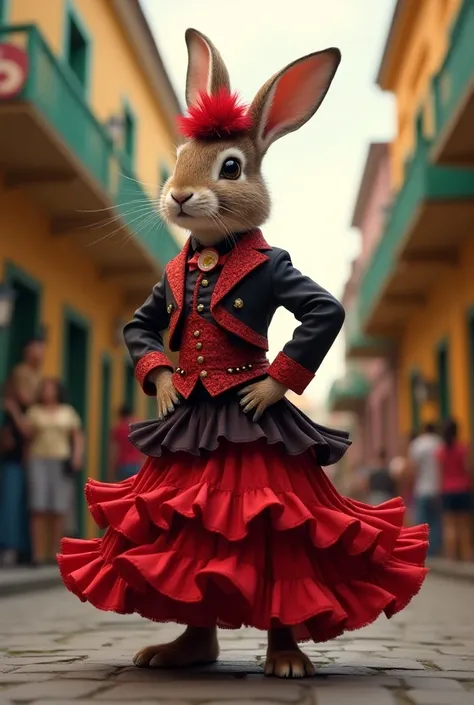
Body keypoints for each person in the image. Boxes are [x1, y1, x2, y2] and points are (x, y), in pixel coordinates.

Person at [58, 29, 428, 679]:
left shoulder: (266, 263)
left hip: (253, 411)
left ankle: (283, 637)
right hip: (192, 416)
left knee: (269, 524)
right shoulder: (175, 271)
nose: (180, 191)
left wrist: (282, 378)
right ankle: (197, 634)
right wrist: (159, 367)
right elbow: (141, 328)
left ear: (251, 171)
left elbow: (325, 310)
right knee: (195, 528)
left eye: (225, 167)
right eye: (182, 166)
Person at [25, 378, 84, 565]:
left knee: (59, 508)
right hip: (38, 459)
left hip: (61, 460)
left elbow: (77, 436)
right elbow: (27, 437)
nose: (48, 393)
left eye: (51, 389)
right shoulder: (34, 412)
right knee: (38, 507)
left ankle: (54, 553)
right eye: (45, 389)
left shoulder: (67, 412)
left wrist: (77, 456)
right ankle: (37, 554)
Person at [0, 379, 34, 566]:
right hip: (13, 462)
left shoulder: (29, 411)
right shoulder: (9, 413)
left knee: (21, 507)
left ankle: (20, 550)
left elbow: (27, 432)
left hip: (25, 464)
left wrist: (14, 410)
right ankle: (9, 549)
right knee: (10, 505)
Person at [437, 418, 473, 562]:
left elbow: (440, 473)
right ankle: (467, 556)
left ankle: (452, 557)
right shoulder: (463, 449)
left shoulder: (441, 452)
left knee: (450, 525)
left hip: (447, 490)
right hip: (463, 488)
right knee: (465, 525)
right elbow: (469, 469)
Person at [408, 423, 442, 556]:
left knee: (421, 522)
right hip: (437, 488)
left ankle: (422, 550)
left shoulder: (417, 444)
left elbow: (413, 469)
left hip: (421, 488)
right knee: (436, 521)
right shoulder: (440, 442)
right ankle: (434, 550)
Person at [109, 405, 144, 481]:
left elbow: (114, 449)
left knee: (122, 490)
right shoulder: (137, 427)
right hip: (135, 464)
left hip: (121, 464)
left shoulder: (117, 429)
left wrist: (111, 466)